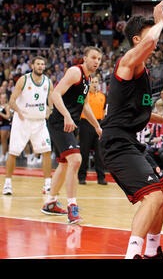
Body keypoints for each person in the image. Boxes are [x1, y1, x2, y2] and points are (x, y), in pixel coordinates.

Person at [100, 2, 163, 259]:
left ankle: (152, 251)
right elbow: (150, 43)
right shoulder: (127, 62)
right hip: (116, 143)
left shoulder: (143, 72)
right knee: (152, 196)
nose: (156, 36)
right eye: (150, 32)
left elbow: (136, 110)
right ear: (136, 39)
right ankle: (133, 255)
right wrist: (160, 21)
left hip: (130, 142)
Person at [41, 47, 102, 225]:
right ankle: (72, 207)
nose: (96, 61)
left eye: (99, 59)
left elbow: (85, 106)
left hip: (70, 125)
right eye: (93, 57)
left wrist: (97, 126)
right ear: (84, 58)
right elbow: (55, 94)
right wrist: (67, 115)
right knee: (75, 159)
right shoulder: (75, 72)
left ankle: (51, 202)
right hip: (60, 123)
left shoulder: (88, 78)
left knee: (65, 164)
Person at [2, 57, 53, 196]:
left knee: (46, 151)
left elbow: (51, 100)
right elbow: (12, 100)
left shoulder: (48, 82)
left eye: (43, 64)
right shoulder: (24, 80)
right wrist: (19, 111)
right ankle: (7, 184)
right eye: (38, 64)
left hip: (40, 122)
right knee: (13, 152)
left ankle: (48, 184)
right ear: (32, 65)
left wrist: (50, 109)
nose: (40, 66)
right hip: (22, 121)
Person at [78, 76, 107, 185]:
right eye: (92, 82)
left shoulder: (102, 96)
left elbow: (104, 111)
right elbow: (79, 107)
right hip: (86, 124)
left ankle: (101, 178)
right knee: (84, 152)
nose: (94, 84)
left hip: (99, 124)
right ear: (88, 84)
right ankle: (81, 177)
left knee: (99, 153)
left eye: (96, 82)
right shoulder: (84, 96)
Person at [0, 93, 11, 163]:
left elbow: (8, 117)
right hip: (1, 125)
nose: (2, 99)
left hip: (5, 125)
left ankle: (4, 155)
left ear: (6, 99)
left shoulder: (7, 106)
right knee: (2, 141)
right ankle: (4, 154)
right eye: (1, 98)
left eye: (4, 98)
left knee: (4, 141)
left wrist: (1, 114)